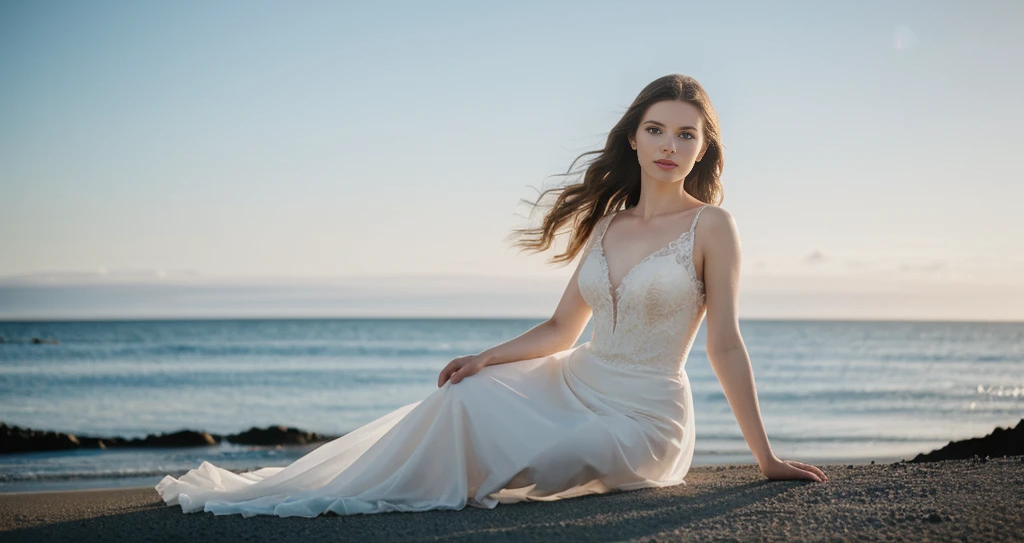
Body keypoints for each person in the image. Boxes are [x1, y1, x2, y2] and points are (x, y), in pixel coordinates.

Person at [156, 74, 828, 518]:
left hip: (647, 417)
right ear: (633, 135)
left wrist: (764, 459)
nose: (670, 145)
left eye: (688, 134)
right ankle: (358, 485)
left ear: (704, 147)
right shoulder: (607, 225)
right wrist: (487, 356)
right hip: (575, 377)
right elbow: (564, 327)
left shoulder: (712, 225)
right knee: (466, 396)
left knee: (550, 457)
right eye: (658, 129)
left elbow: (725, 343)